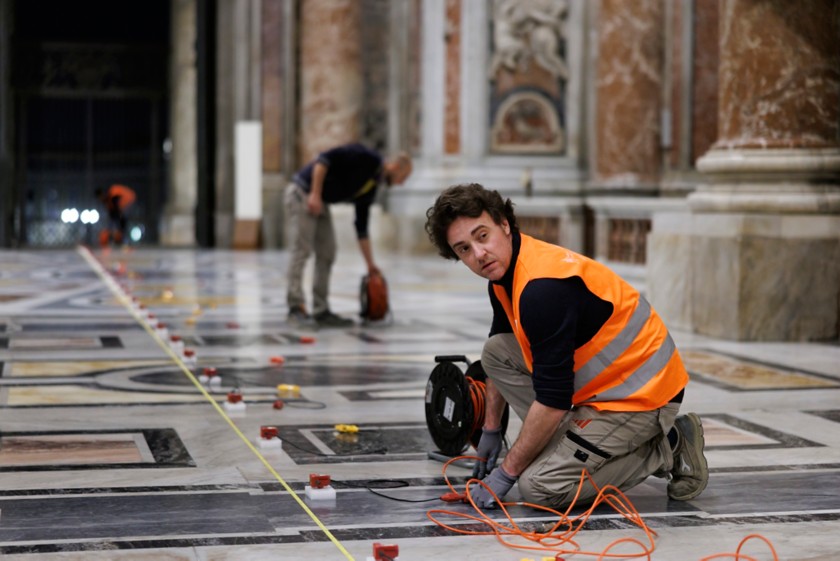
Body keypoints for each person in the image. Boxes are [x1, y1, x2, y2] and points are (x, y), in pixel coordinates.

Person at [424, 183, 708, 509]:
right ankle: (571, 444)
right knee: (495, 352)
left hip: (643, 397)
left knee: (539, 487)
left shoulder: (542, 290)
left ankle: (668, 446)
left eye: (482, 236)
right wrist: (490, 430)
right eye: (463, 249)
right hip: (604, 384)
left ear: (504, 224)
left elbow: (554, 400)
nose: (478, 254)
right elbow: (499, 360)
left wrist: (506, 473)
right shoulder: (505, 277)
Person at [286, 143, 412, 328]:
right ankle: (295, 307)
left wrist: (370, 265)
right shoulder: (366, 156)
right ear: (396, 167)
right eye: (404, 177)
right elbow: (323, 160)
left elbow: (361, 228)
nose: (402, 183)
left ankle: (321, 311)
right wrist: (315, 193)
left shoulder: (371, 186)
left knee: (327, 252)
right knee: (302, 251)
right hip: (303, 192)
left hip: (320, 200)